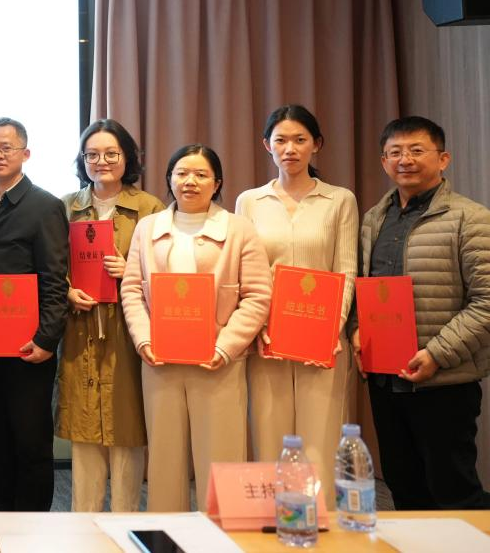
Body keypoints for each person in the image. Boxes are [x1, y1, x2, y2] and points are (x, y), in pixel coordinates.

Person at [120, 143, 271, 512]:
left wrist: (225, 347)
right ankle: (166, 533)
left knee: (220, 459)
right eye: (182, 173)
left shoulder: (239, 229)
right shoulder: (147, 227)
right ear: (169, 179)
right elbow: (132, 289)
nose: (190, 181)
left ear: (216, 183)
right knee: (164, 461)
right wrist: (144, 340)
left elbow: (257, 295)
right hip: (160, 361)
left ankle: (220, 535)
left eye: (201, 174)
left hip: (218, 362)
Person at [350, 116, 490, 509]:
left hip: (443, 380)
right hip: (386, 381)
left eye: (416, 150)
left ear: (443, 159)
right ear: (384, 161)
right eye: (395, 152)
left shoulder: (470, 218)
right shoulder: (373, 219)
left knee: (453, 490)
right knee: (403, 486)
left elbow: (486, 300)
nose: (405, 160)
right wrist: (357, 330)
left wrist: (436, 355)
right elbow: (363, 287)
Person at [235, 105, 357, 507]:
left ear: (316, 145)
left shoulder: (339, 200)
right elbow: (244, 270)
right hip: (266, 336)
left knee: (319, 438)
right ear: (266, 145)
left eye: (300, 140)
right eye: (281, 140)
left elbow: (346, 269)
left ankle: (318, 523)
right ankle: (273, 522)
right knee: (269, 435)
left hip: (324, 338)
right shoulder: (250, 201)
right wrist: (256, 326)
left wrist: (330, 329)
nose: (290, 149)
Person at [0, 118, 68, 545]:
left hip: (28, 345)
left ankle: (33, 526)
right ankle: (3, 514)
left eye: (7, 147)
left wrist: (46, 339)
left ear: (26, 153)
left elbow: (55, 279)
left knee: (30, 438)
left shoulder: (44, 206)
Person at [58, 119, 163, 513]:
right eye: (92, 155)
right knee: (85, 429)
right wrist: (67, 290)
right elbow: (51, 264)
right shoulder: (66, 206)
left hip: (128, 329)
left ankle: (124, 524)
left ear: (128, 158)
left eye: (110, 154)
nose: (101, 161)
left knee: (126, 428)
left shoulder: (150, 208)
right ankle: (83, 525)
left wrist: (131, 270)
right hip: (79, 327)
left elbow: (168, 271)